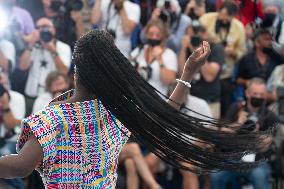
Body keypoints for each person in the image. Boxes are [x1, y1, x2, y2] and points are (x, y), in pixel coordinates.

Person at [0, 30, 272, 188]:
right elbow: (167, 113)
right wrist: (187, 72)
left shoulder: (52, 119)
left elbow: (19, 167)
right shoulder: (114, 112)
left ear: (76, 66)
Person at [210, 78, 278, 189]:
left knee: (260, 176)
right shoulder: (236, 108)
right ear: (247, 93)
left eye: (261, 94)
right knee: (215, 175)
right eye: (255, 93)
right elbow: (222, 134)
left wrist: (256, 134)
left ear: (265, 96)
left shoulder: (269, 115)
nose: (258, 97)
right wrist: (238, 123)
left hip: (256, 161)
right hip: (232, 158)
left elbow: (265, 146)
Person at [199, 1, 246, 116]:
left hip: (225, 74)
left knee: (223, 108)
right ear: (218, 12)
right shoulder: (206, 19)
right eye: (222, 16)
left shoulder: (239, 27)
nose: (224, 20)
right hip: (206, 67)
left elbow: (242, 52)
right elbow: (196, 36)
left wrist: (233, 52)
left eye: (227, 18)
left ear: (233, 16)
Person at [19, 17, 71, 114]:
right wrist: (30, 45)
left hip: (51, 96)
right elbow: (22, 66)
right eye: (38, 27)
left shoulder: (63, 47)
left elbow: (64, 71)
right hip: (31, 96)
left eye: (45, 27)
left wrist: (52, 50)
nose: (42, 30)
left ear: (54, 30)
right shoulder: (33, 46)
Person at [179, 23, 224, 119]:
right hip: (190, 102)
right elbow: (181, 73)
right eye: (190, 36)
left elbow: (209, 76)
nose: (194, 39)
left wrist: (199, 50)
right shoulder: (187, 48)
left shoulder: (216, 49)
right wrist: (183, 48)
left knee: (209, 132)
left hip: (210, 101)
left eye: (196, 36)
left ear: (205, 35)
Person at [130, 19, 177, 96]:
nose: (154, 38)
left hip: (157, 100)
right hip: (137, 96)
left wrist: (160, 59)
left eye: (158, 35)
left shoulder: (170, 54)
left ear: (163, 36)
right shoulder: (140, 50)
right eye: (151, 34)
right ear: (146, 34)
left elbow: (169, 81)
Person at [0, 73, 26, 189]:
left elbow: (12, 125)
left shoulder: (17, 98)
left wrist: (5, 106)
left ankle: (18, 186)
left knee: (5, 152)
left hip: (13, 140)